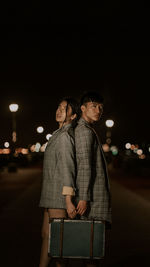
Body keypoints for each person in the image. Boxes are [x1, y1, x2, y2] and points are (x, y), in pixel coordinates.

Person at [39, 97, 78, 267]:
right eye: (59, 106)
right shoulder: (57, 134)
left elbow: (67, 168)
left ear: (74, 115)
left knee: (58, 243)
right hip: (50, 195)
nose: (60, 110)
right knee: (47, 235)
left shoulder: (65, 136)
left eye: (65, 108)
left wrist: (68, 200)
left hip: (59, 197)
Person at [75, 91, 112, 267]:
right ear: (83, 108)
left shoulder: (88, 129)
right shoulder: (84, 131)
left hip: (93, 200)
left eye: (100, 107)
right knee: (91, 250)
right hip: (92, 202)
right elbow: (85, 165)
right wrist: (83, 197)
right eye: (94, 106)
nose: (98, 110)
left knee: (90, 249)